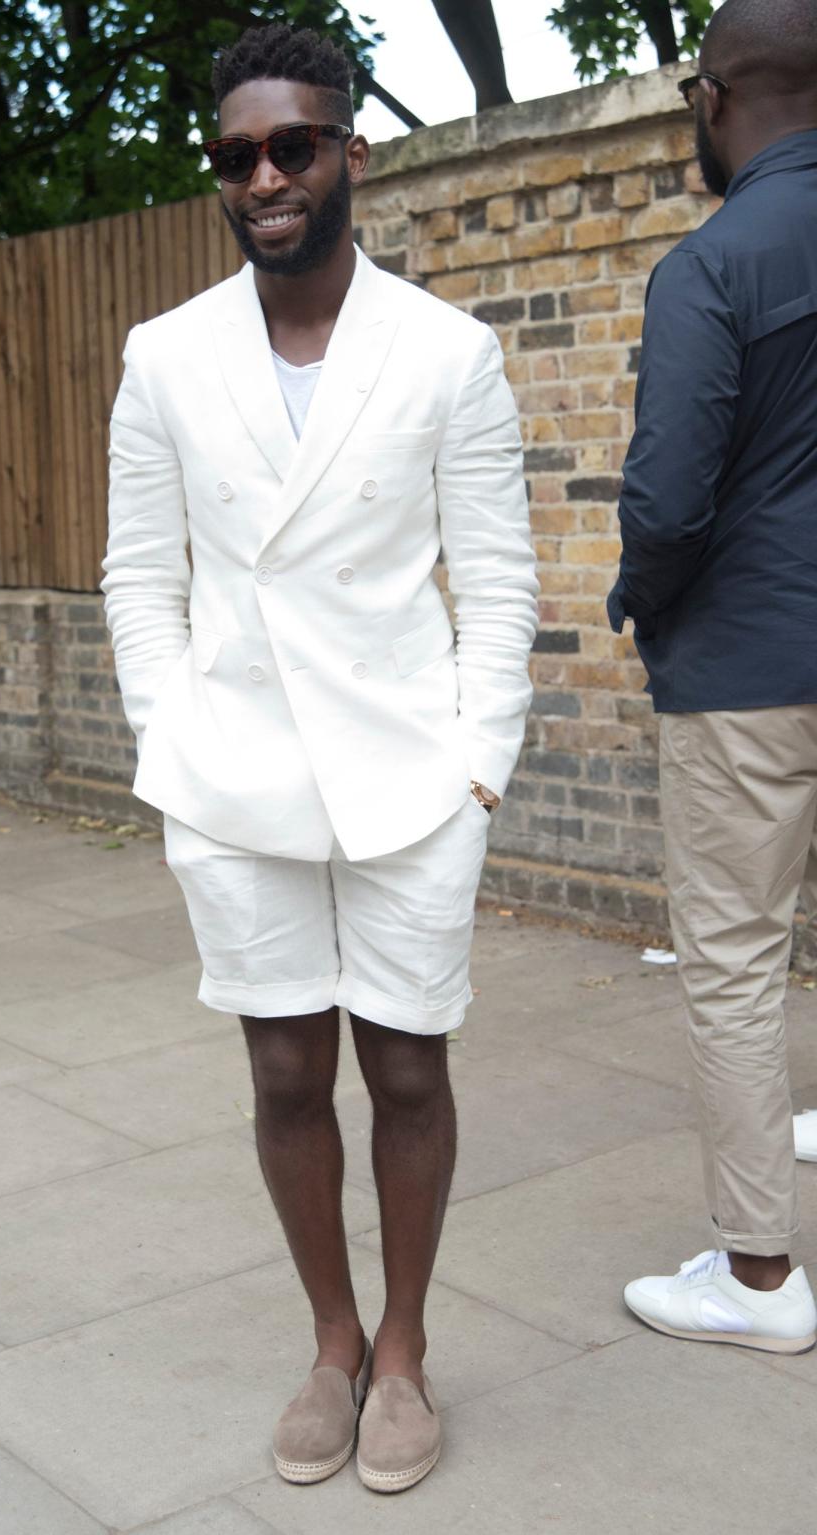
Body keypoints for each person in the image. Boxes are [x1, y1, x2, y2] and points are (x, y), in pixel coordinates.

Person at [103, 23, 537, 1492]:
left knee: (407, 1066)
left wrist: (482, 765)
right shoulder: (164, 355)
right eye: (238, 156)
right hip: (233, 775)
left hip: (412, 776)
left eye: (293, 145)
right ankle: (332, 1338)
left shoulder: (446, 350)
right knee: (287, 1065)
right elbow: (136, 577)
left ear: (352, 150)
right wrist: (169, 735)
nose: (266, 176)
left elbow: (500, 578)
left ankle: (407, 1346)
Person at [608, 0, 817, 1354]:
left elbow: (669, 499)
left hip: (750, 659)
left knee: (737, 957)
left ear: (719, 90)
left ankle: (757, 1282)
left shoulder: (714, 263)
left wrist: (644, 599)